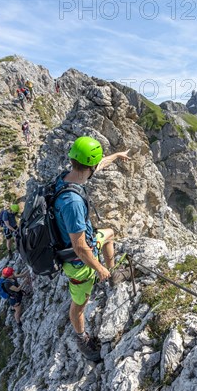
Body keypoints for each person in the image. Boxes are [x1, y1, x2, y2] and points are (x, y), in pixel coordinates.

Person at [54, 136, 129, 361]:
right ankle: (82, 340)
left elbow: (98, 164)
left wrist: (116, 156)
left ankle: (114, 274)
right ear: (91, 166)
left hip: (80, 245)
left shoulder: (65, 178)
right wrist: (99, 269)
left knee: (109, 234)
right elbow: (80, 248)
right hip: (77, 264)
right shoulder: (73, 203)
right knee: (79, 307)